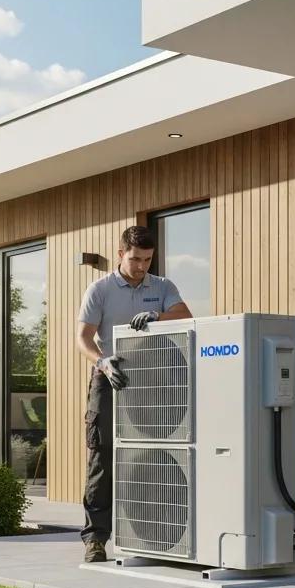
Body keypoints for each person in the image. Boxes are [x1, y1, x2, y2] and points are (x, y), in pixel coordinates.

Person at [75, 225, 192, 562]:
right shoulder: (100, 289)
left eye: (148, 259)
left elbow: (185, 315)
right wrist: (102, 361)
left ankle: (153, 536)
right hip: (110, 379)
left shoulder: (163, 286)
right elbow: (82, 337)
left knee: (154, 456)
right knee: (103, 458)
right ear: (120, 254)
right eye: (136, 259)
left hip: (152, 384)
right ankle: (95, 539)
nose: (142, 266)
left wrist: (158, 315)